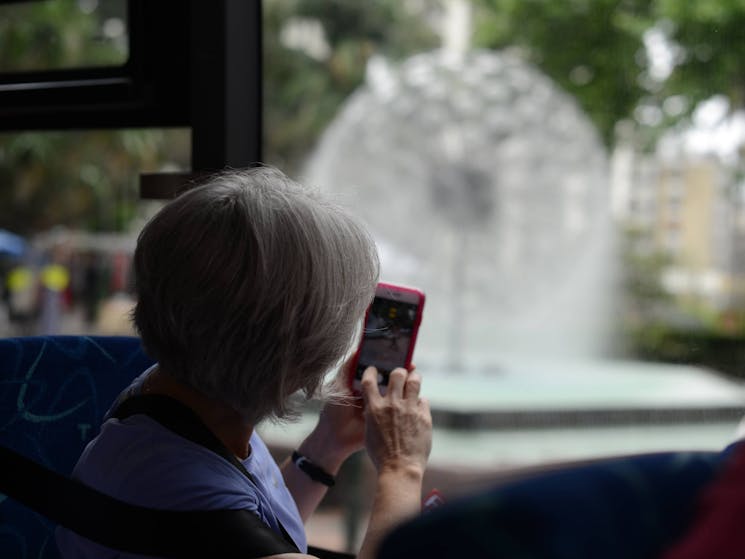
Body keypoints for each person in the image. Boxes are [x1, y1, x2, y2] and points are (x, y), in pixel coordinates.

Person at [55, 167, 433, 559]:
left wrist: (328, 446)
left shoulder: (169, 399)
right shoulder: (178, 492)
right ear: (297, 347)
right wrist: (402, 468)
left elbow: (254, 529)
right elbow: (223, 527)